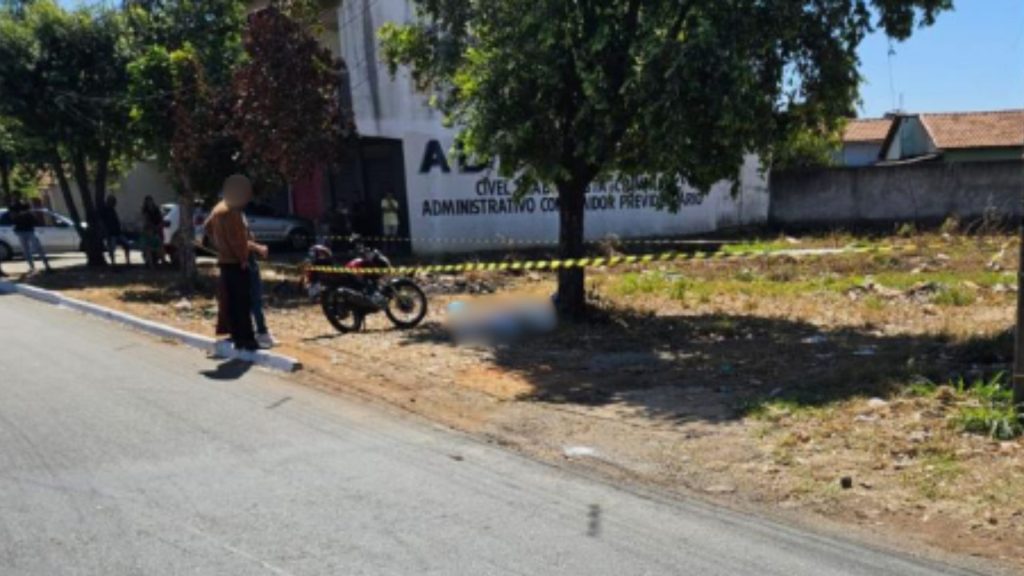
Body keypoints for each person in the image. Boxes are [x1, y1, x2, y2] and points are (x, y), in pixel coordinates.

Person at [205, 175, 260, 352]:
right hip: (237, 262)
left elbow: (207, 228)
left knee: (231, 302)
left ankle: (237, 336)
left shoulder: (217, 208)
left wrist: (219, 245)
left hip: (224, 261)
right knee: (243, 302)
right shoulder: (232, 211)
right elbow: (238, 240)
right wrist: (243, 258)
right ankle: (248, 340)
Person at [11, 200, 50, 273]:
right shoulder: (18, 215)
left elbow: (35, 222)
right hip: (25, 232)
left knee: (35, 248)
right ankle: (33, 267)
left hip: (28, 232)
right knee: (28, 250)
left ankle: (45, 265)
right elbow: (15, 222)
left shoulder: (28, 215)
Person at [100, 195, 131, 266]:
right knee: (112, 248)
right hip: (110, 233)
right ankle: (113, 263)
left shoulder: (112, 210)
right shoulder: (105, 210)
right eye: (113, 202)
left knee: (127, 245)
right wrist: (106, 231)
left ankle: (128, 261)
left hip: (118, 232)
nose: (114, 203)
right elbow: (102, 222)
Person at [139, 196, 164, 268]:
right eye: (148, 202)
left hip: (157, 231)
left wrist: (159, 226)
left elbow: (161, 219)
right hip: (149, 230)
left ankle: (162, 263)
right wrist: (152, 228)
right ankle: (150, 264)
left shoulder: (156, 209)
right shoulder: (145, 211)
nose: (150, 203)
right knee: (148, 248)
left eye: (151, 201)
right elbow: (146, 221)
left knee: (160, 246)